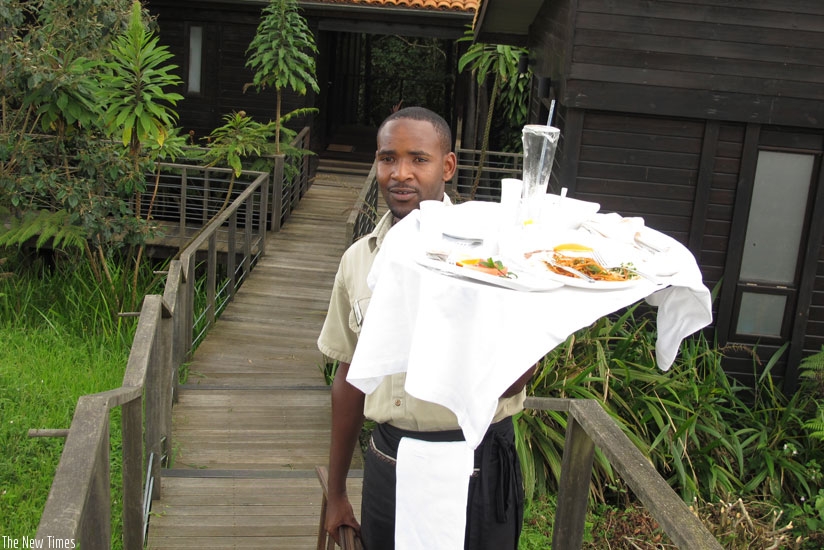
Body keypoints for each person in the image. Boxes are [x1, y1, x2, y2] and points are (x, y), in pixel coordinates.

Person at [317, 106, 534, 549]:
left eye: (419, 159)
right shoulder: (358, 261)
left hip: (477, 463)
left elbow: (516, 378)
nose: (401, 174)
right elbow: (349, 377)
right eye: (387, 158)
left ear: (447, 166)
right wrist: (337, 491)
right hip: (389, 462)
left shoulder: (490, 253)